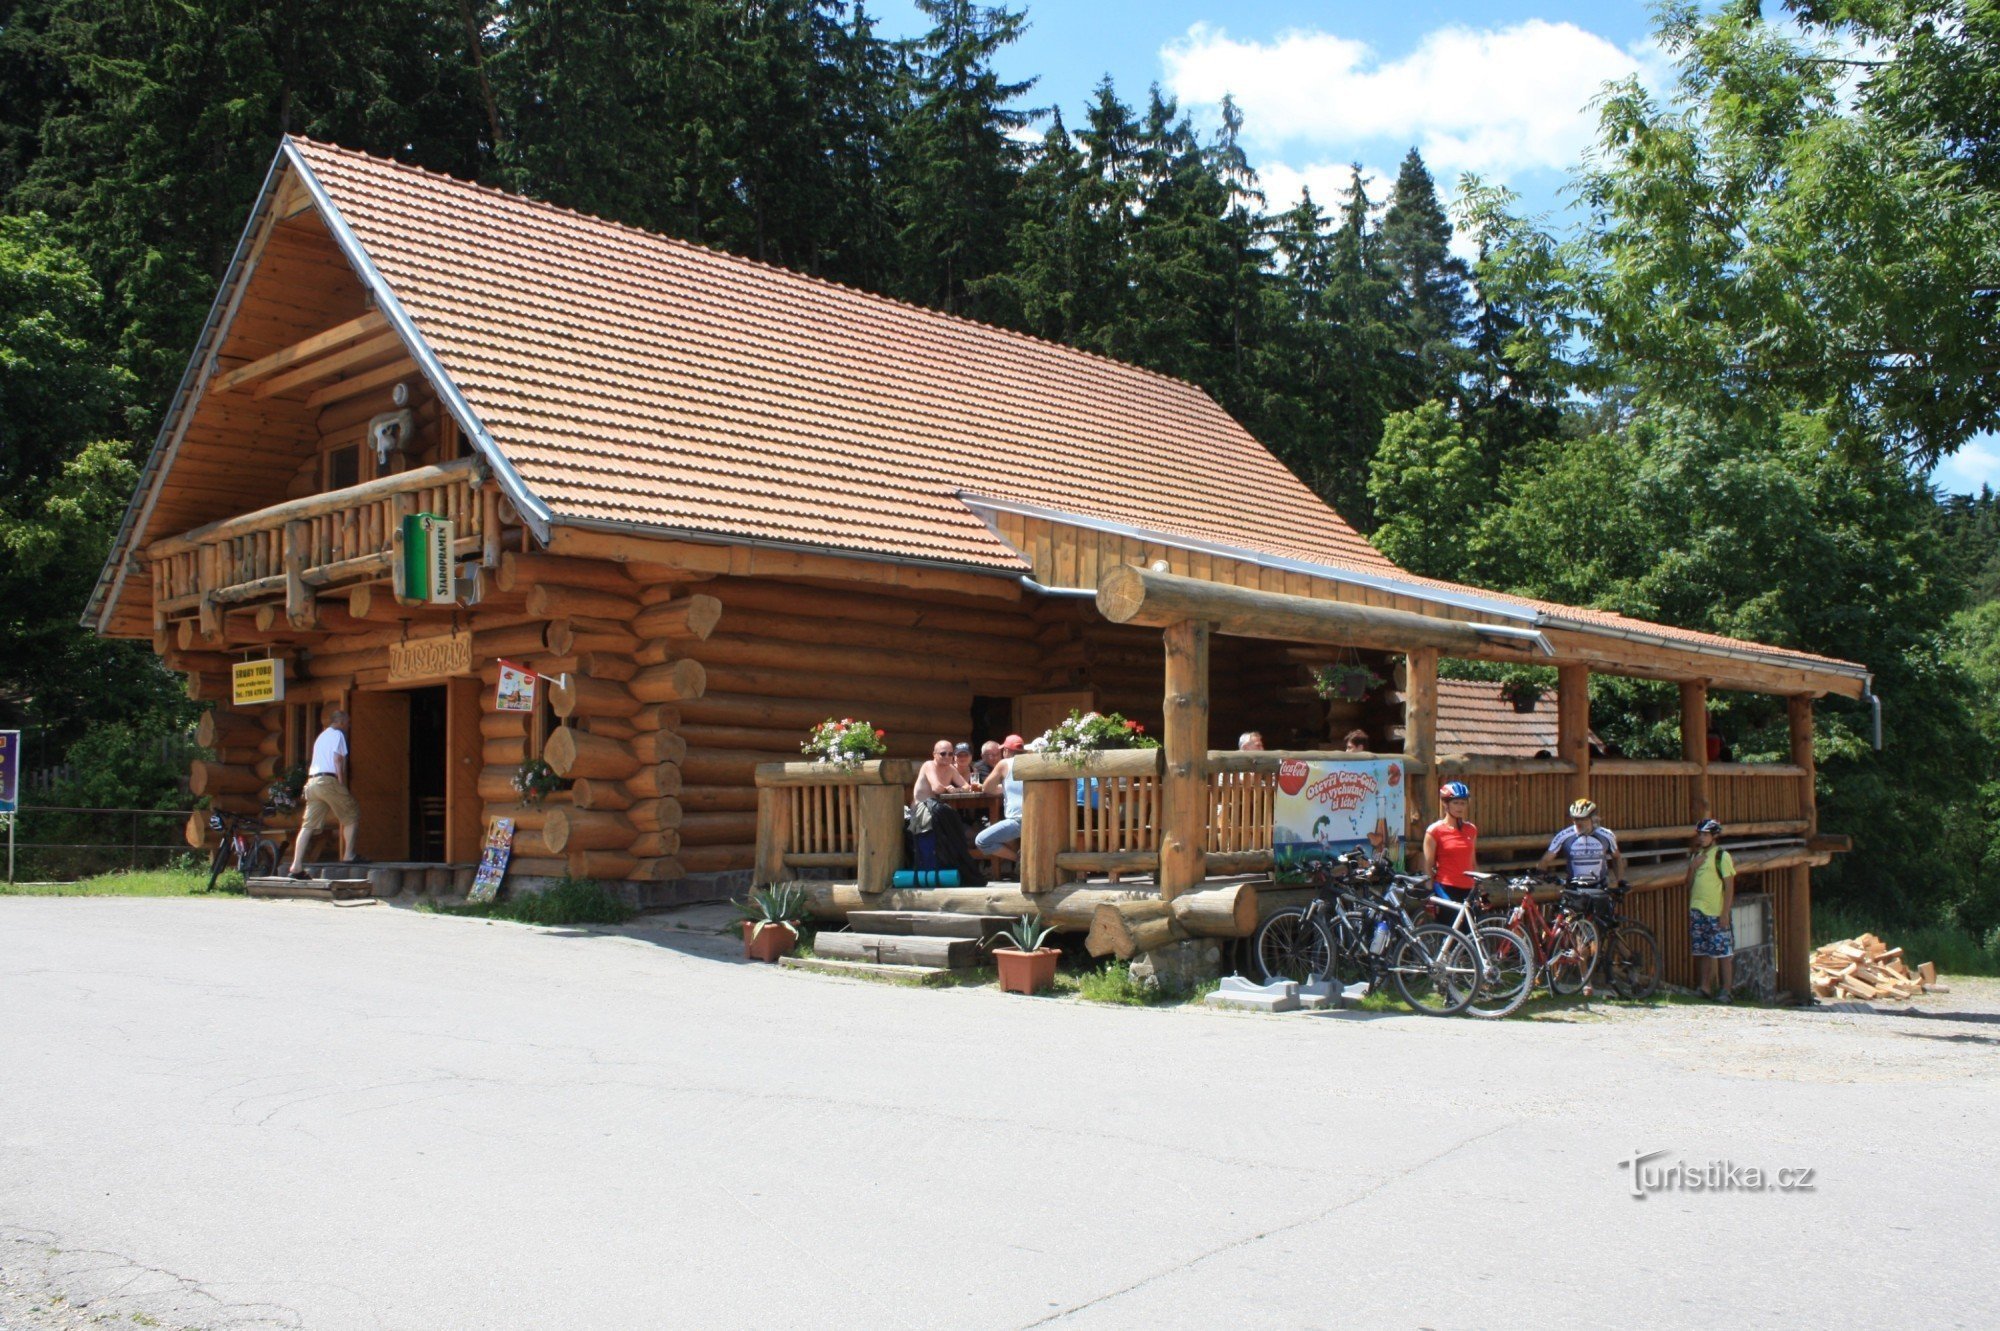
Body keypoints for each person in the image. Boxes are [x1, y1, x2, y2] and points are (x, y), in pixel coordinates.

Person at [289, 708, 360, 876]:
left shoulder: (321, 737)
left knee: (307, 826)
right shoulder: (338, 735)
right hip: (328, 780)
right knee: (352, 813)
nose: (349, 725)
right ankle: (349, 855)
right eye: (348, 721)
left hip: (312, 782)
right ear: (341, 721)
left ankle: (296, 865)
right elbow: (337, 759)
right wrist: (341, 783)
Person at [1685, 818, 1737, 1001]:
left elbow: (1729, 886)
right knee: (1703, 951)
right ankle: (1704, 987)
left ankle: (1726, 990)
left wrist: (1725, 913)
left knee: (1723, 952)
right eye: (1700, 834)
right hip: (1697, 909)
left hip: (1715, 911)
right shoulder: (1696, 856)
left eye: (1705, 834)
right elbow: (1688, 884)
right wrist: (1692, 867)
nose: (1701, 837)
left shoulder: (1721, 856)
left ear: (1714, 836)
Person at [1539, 798, 1625, 884]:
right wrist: (1541, 874)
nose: (1578, 823)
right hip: (1574, 887)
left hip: (1600, 887)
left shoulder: (1607, 835)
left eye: (1583, 819)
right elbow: (1545, 859)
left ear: (1593, 818)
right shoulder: (1563, 836)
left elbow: (1616, 857)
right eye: (1575, 819)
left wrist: (1620, 881)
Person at [1422, 781, 1478, 908]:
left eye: (1463, 803)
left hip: (1469, 889)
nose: (1460, 807)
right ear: (1445, 804)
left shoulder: (1471, 829)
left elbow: (1473, 862)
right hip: (1446, 889)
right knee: (1448, 928)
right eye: (1456, 803)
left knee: (1470, 928)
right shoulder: (1434, 830)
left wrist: (1481, 888)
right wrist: (1429, 892)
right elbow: (1428, 865)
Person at [974, 734, 1028, 862]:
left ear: (1006, 751)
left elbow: (987, 788)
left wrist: (1001, 789)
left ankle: (1019, 860)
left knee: (982, 841)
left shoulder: (1004, 763)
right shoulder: (1030, 762)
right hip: (1037, 818)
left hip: (1018, 821)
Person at [913, 739, 973, 804]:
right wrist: (948, 790)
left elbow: (967, 786)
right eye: (943, 754)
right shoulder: (929, 765)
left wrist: (956, 790)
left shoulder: (951, 768)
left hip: (939, 807)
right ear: (934, 754)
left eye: (950, 754)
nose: (947, 757)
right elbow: (937, 789)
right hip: (923, 806)